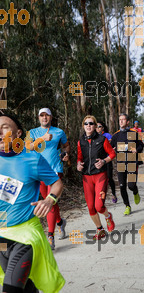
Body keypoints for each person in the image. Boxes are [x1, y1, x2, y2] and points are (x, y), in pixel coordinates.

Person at [0, 114, 65, 293]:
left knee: (11, 289)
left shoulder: (32, 159)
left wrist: (50, 199)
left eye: (4, 127)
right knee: (27, 287)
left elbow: (57, 183)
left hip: (24, 236)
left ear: (18, 133)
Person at [28, 108, 69, 250]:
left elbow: (66, 146)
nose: (44, 118)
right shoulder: (32, 133)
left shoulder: (59, 132)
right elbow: (27, 148)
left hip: (55, 170)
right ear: (38, 118)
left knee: (49, 201)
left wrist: (65, 154)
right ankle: (59, 222)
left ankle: (50, 237)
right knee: (50, 201)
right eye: (42, 116)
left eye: (47, 115)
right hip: (39, 172)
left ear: (51, 117)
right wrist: (42, 139)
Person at [77, 115, 116, 240]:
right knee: (90, 207)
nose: (88, 126)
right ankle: (100, 229)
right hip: (87, 178)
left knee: (99, 206)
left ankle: (108, 216)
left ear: (95, 126)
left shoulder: (102, 139)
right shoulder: (80, 141)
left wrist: (104, 161)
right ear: (83, 126)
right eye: (86, 123)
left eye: (91, 123)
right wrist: (78, 164)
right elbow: (79, 157)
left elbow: (112, 153)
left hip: (100, 176)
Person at [110, 114, 143, 216]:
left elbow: (141, 145)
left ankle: (135, 191)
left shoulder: (134, 133)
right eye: (120, 120)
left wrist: (136, 150)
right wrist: (112, 150)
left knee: (131, 185)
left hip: (132, 162)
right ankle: (127, 206)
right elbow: (109, 148)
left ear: (128, 122)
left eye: (123, 119)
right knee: (122, 186)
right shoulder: (115, 135)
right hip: (121, 163)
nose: (121, 121)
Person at [96, 121, 117, 203]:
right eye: (96, 126)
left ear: (103, 127)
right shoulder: (94, 136)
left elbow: (112, 146)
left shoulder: (107, 136)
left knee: (109, 178)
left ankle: (113, 193)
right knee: (100, 180)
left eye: (100, 126)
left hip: (107, 160)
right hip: (98, 161)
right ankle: (101, 195)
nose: (98, 128)